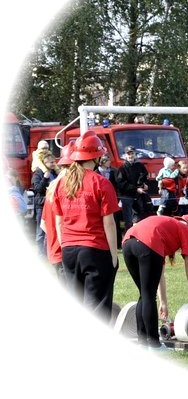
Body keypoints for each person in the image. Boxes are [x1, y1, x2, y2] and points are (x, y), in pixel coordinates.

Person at [53, 130, 121, 321]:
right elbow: (109, 223)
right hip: (94, 249)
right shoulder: (101, 182)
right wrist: (113, 255)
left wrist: (65, 245)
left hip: (69, 250)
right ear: (97, 156)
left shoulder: (62, 183)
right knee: (97, 307)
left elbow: (59, 221)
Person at [121, 214, 188, 349]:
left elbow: (160, 274)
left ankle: (142, 343)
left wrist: (163, 302)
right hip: (147, 242)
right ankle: (154, 345)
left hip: (127, 243)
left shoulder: (169, 227)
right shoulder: (187, 230)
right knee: (148, 296)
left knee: (144, 294)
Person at [41, 142, 74, 281]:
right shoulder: (64, 193)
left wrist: (54, 236)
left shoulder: (51, 192)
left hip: (55, 251)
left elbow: (43, 224)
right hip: (65, 252)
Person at [116, 145, 151, 233]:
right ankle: (128, 237)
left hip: (139, 196)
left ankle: (140, 236)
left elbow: (145, 176)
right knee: (129, 220)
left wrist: (145, 184)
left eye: (132, 153)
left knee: (141, 217)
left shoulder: (140, 165)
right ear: (125, 155)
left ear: (135, 154)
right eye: (129, 154)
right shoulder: (122, 168)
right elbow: (121, 184)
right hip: (127, 197)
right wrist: (135, 189)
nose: (131, 156)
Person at [32, 151, 58, 256]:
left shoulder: (54, 172)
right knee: (41, 231)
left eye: (54, 162)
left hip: (53, 204)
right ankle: (40, 255)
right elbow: (37, 189)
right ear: (45, 163)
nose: (53, 164)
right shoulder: (38, 173)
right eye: (51, 162)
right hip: (42, 205)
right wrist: (45, 178)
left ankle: (49, 252)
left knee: (52, 229)